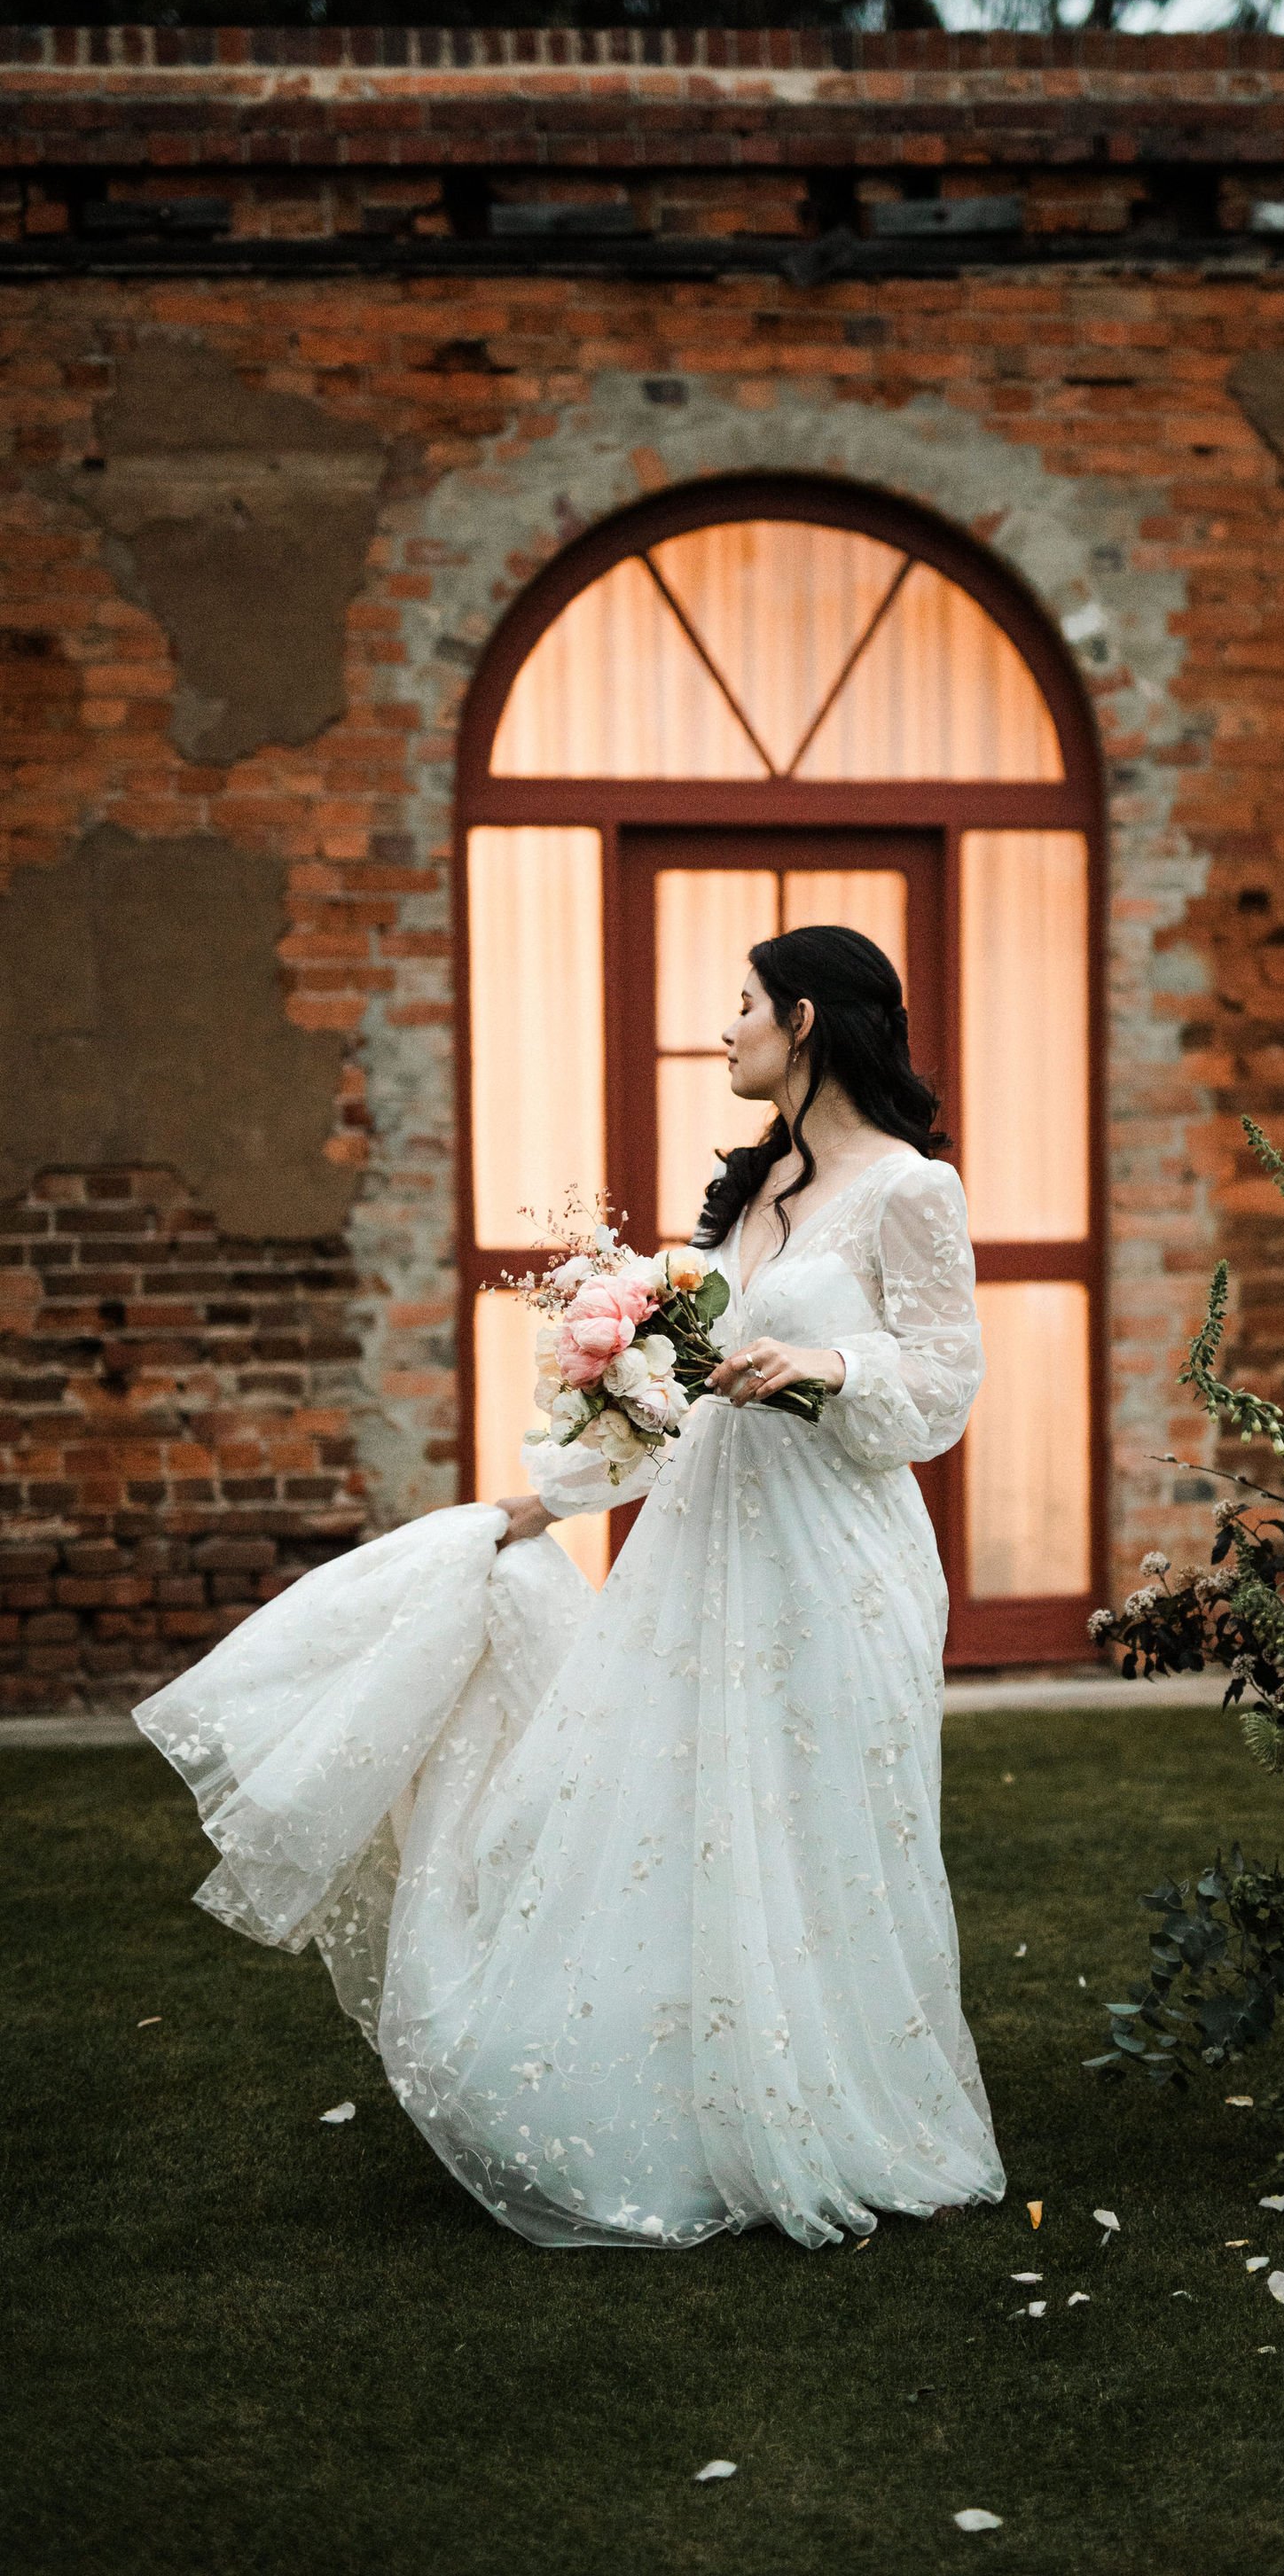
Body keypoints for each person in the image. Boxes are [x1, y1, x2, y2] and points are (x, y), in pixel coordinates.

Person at [135, 925, 1005, 2251]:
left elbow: (941, 1388)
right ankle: (696, 2108)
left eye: (744, 1007)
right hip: (703, 1553)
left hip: (837, 1559)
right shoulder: (747, 1191)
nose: (726, 1030)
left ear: (809, 1020)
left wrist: (820, 1370)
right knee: (687, 1809)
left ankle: (839, 2108)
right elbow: (669, 1409)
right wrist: (537, 1503)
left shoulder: (908, 1194)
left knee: (820, 1822)